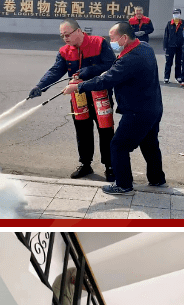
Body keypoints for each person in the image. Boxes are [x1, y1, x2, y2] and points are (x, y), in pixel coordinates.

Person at [63, 22, 166, 194]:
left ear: (124, 38)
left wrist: (78, 87)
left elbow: (106, 80)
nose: (110, 41)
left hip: (137, 112)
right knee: (150, 144)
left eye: (112, 38)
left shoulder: (130, 59)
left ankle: (124, 184)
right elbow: (116, 73)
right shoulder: (145, 48)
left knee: (118, 146)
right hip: (153, 108)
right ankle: (157, 179)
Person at [29, 19, 115, 181]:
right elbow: (55, 71)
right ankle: (85, 164)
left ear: (78, 31)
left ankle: (110, 166)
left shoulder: (99, 43)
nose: (65, 38)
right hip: (78, 96)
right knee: (82, 131)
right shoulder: (64, 51)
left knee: (105, 131)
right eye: (62, 36)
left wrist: (89, 70)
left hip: (100, 94)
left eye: (67, 35)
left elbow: (111, 65)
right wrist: (40, 86)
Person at [163, 8, 184, 84]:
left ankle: (178, 76)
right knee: (168, 62)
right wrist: (165, 46)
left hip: (180, 46)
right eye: (174, 13)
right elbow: (166, 35)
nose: (176, 15)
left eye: (177, 13)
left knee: (179, 62)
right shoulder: (169, 23)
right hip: (170, 46)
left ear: (180, 14)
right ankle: (166, 77)